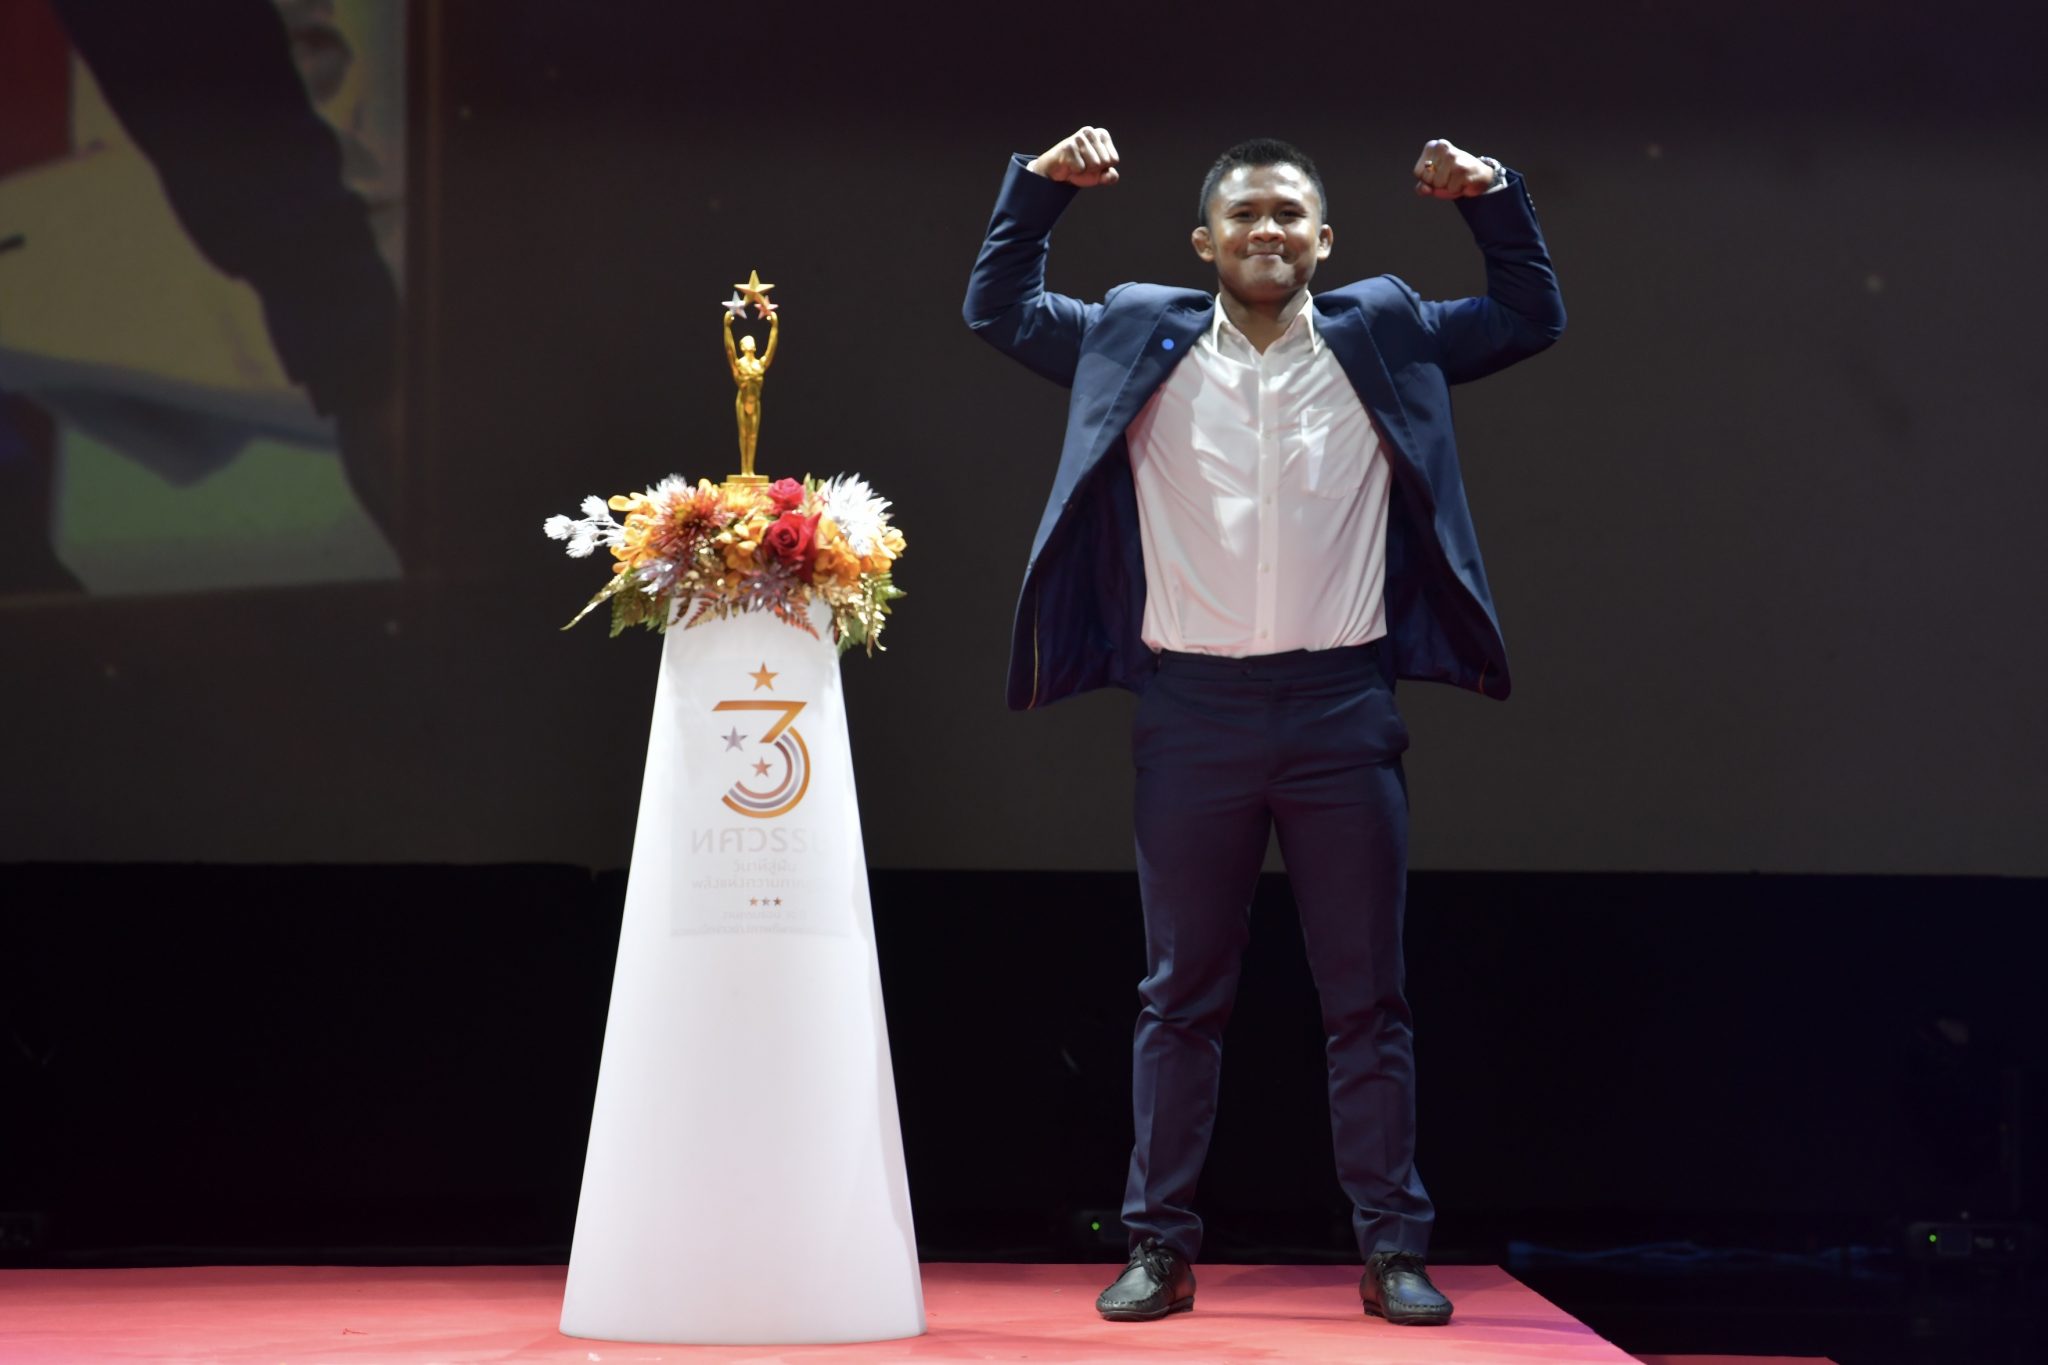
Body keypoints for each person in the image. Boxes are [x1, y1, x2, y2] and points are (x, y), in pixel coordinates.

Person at [961, 125, 1564, 1327]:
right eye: (1242, 215)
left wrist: (1489, 197)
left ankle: (1391, 1249)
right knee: (1178, 996)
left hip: (1341, 707)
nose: (1266, 231)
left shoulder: (1383, 329)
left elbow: (1526, 314)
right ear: (1204, 241)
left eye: (1288, 214)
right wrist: (1039, 191)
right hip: (1193, 711)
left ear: (1322, 239)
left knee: (1367, 999)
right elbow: (999, 309)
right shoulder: (1135, 331)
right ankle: (1156, 1245)